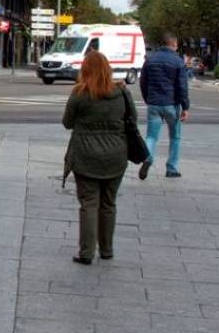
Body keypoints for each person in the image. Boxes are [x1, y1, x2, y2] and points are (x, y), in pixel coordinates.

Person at [61, 51, 133, 265]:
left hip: (85, 155)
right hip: (116, 155)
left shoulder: (80, 93)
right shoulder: (122, 92)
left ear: (85, 70)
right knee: (109, 203)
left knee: (89, 203)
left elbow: (67, 122)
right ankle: (107, 249)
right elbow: (133, 119)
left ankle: (86, 252)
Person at [138, 33, 190, 180]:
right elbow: (182, 87)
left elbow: (143, 82)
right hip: (171, 105)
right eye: (177, 45)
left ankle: (148, 158)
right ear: (173, 45)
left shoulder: (150, 59)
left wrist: (148, 99)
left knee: (151, 137)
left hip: (154, 103)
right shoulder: (178, 61)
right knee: (175, 137)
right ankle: (172, 168)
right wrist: (185, 107)